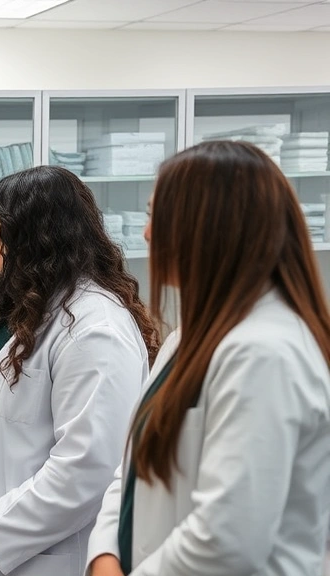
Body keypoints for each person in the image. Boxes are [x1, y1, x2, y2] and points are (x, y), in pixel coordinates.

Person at [87, 141, 330, 576]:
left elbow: (227, 540)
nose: (146, 234)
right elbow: (131, 470)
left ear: (209, 227)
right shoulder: (190, 338)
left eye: (155, 218)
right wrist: (105, 555)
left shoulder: (265, 352)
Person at [0, 165, 159, 576]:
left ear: (36, 234)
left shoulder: (95, 329)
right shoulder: (24, 305)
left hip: (27, 551)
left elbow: (88, 467)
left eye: (0, 224)